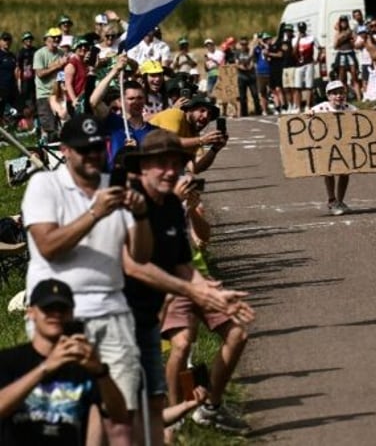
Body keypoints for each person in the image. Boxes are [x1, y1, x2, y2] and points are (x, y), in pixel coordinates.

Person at [21, 114, 152, 445]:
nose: (93, 155)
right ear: (65, 150)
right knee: (60, 418)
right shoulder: (44, 185)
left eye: (97, 148)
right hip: (59, 314)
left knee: (120, 415)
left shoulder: (115, 185)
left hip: (112, 312)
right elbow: (48, 247)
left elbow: (141, 256)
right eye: (84, 150)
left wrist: (140, 214)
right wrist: (94, 213)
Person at [120, 130, 254, 445]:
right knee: (180, 345)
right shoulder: (129, 201)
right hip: (139, 298)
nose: (171, 171)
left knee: (238, 331)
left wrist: (210, 291)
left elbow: (183, 259)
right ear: (142, 168)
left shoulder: (168, 203)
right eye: (161, 164)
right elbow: (134, 264)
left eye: (176, 163)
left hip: (180, 281)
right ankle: (172, 416)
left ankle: (211, 407)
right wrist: (194, 290)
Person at [0, 278, 128, 445]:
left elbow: (119, 415)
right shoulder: (10, 360)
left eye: (63, 308)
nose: (56, 314)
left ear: (72, 314)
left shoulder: (84, 365)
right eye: (48, 308)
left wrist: (101, 372)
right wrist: (45, 368)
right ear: (30, 312)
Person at [306, 80, 357, 215]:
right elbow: (306, 116)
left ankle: (340, 201)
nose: (339, 96)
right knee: (328, 172)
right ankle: (331, 200)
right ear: (328, 96)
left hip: (344, 147)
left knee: (345, 173)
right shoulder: (320, 108)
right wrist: (309, 115)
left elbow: (363, 119)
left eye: (341, 93)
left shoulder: (350, 108)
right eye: (334, 93)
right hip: (327, 147)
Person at [149, 95, 227, 174]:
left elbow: (195, 168)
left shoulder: (194, 135)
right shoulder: (175, 114)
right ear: (189, 110)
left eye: (209, 114)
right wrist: (201, 140)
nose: (205, 116)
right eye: (202, 111)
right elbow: (169, 143)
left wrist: (215, 149)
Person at [33, 27, 68, 140]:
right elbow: (40, 74)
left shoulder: (62, 53)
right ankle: (46, 150)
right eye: (53, 37)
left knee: (63, 124)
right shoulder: (39, 54)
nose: (56, 39)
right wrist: (57, 65)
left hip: (58, 93)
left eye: (58, 37)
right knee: (49, 126)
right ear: (46, 39)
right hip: (44, 93)